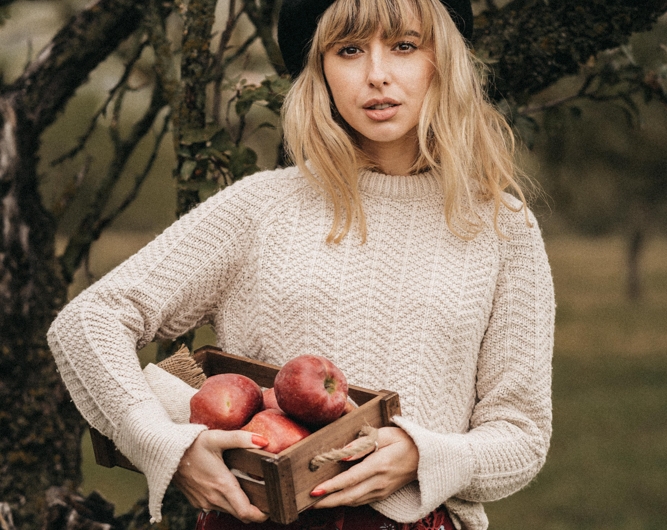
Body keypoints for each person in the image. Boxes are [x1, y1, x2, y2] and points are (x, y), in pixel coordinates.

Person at [47, 0, 555, 528]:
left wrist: (423, 456)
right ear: (320, 71)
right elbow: (88, 322)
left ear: (442, 61)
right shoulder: (263, 207)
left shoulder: (500, 227)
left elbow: (520, 434)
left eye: (404, 46)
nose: (377, 75)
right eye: (350, 50)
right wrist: (166, 445)